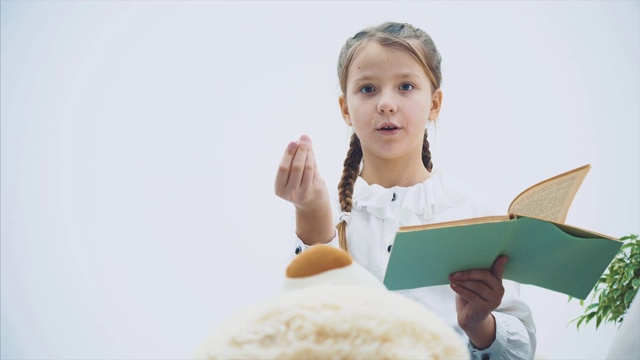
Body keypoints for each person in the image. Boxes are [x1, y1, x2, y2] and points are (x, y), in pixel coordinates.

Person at [274, 21, 536, 359]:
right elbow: (301, 332)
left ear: (435, 103)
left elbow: (521, 350)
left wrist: (479, 325)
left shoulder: (475, 215)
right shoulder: (327, 212)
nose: (386, 103)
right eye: (368, 89)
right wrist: (310, 212)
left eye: (406, 86)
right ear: (345, 109)